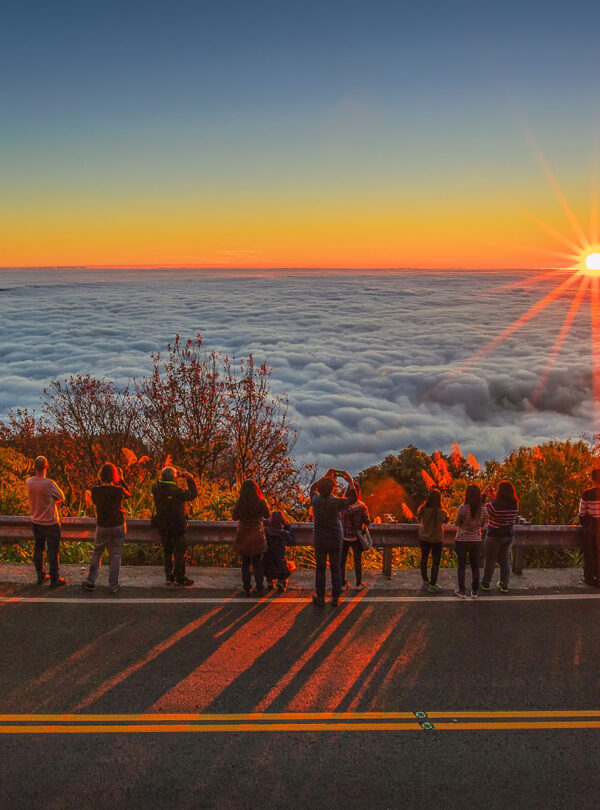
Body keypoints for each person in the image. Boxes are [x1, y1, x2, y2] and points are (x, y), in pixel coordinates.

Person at [82, 463, 131, 594]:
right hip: (118, 524)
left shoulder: (95, 491)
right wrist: (121, 480)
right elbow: (129, 494)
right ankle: (113, 585)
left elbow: (95, 502)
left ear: (101, 475)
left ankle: (91, 582)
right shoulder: (118, 490)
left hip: (103, 525)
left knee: (97, 552)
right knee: (115, 555)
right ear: (114, 476)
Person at [310, 469, 354, 606]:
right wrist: (350, 482)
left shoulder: (315, 500)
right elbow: (353, 499)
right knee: (335, 567)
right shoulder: (336, 502)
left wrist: (325, 476)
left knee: (320, 567)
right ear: (332, 489)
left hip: (320, 537)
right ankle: (336, 597)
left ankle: (321, 597)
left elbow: (312, 488)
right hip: (335, 537)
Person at [152, 466, 198, 586]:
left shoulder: (156, 489)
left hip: (163, 526)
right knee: (179, 552)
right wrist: (189, 478)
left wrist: (170, 474)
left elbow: (157, 484)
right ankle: (180, 577)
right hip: (177, 527)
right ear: (173, 478)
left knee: (167, 551)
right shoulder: (177, 492)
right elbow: (193, 494)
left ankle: (168, 576)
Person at [26, 455, 68, 587]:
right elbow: (61, 496)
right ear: (46, 467)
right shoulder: (50, 484)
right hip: (50, 522)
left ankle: (40, 575)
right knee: (53, 551)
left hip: (36, 521)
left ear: (34, 467)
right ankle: (54, 579)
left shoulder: (29, 482)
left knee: (38, 549)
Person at [480, 480, 519, 593]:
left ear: (500, 491)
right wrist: (494, 496)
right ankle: (504, 584)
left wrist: (484, 494)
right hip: (509, 535)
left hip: (495, 535)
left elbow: (482, 510)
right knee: (505, 560)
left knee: (490, 560)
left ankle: (486, 583)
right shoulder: (515, 504)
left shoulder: (495, 505)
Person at [232, 480, 270, 596]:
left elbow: (234, 517)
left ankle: (246, 587)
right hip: (257, 536)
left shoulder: (240, 503)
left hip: (244, 536)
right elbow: (268, 515)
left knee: (245, 563)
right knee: (258, 563)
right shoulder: (261, 502)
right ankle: (259, 587)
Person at [454, 484, 487, 599]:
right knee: (475, 566)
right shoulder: (483, 509)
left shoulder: (462, 508)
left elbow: (457, 523)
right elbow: (482, 525)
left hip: (462, 539)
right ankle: (475, 591)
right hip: (476, 540)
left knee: (461, 566)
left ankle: (462, 591)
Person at [340, 482, 371, 589]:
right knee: (357, 560)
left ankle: (342, 583)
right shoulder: (362, 507)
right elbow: (367, 522)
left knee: (342, 560)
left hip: (343, 536)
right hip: (356, 537)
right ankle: (358, 583)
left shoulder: (342, 504)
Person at [417, 489, 449, 592]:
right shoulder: (441, 512)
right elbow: (447, 519)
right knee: (435, 562)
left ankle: (425, 581)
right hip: (437, 539)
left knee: (424, 560)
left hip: (424, 538)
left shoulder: (422, 509)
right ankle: (433, 584)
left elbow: (418, 516)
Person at [263, 510, 296, 591]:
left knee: (267, 560)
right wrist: (288, 527)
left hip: (265, 568)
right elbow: (292, 542)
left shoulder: (264, 532)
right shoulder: (284, 534)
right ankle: (282, 581)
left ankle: (270, 581)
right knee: (292, 565)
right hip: (280, 568)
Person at [578, 468, 600, 587]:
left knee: (589, 554)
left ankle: (589, 579)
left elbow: (582, 512)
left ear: (592, 479)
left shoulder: (587, 493)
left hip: (590, 527)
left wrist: (585, 523)